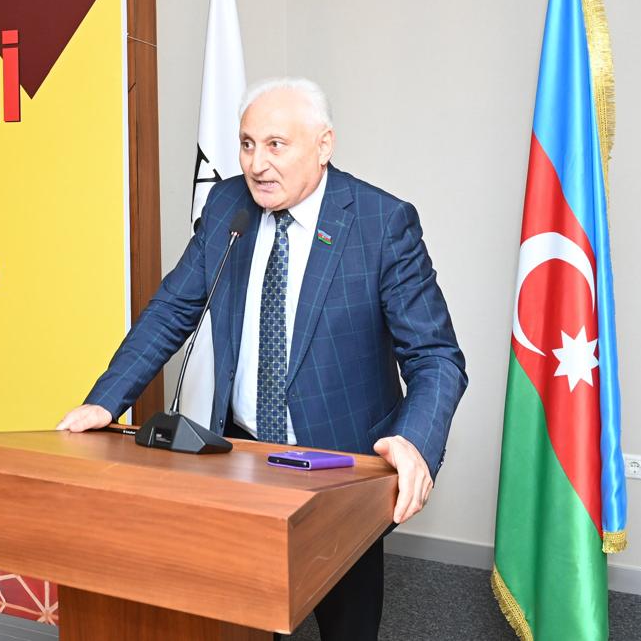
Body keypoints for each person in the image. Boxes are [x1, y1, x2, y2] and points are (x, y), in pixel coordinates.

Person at [58, 78, 467, 640]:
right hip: (243, 455)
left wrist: (414, 441)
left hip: (342, 467)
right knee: (244, 617)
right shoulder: (227, 205)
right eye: (247, 144)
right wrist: (106, 401)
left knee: (346, 623)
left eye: (276, 145)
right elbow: (172, 309)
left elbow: (436, 356)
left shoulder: (380, 222)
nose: (256, 164)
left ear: (323, 145)